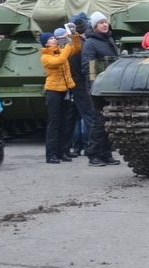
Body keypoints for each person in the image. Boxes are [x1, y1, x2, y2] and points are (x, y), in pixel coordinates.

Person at [81, 12, 121, 167]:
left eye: (106, 22)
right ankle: (94, 154)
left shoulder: (108, 39)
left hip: (110, 85)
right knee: (99, 122)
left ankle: (106, 153)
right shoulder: (90, 43)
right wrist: (96, 83)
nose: (105, 25)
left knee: (108, 122)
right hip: (98, 88)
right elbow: (86, 66)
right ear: (94, 26)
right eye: (100, 23)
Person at [40, 23, 81, 164]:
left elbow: (76, 48)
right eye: (51, 38)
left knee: (64, 122)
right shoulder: (46, 57)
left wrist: (73, 35)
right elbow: (61, 60)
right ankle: (51, 154)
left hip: (65, 90)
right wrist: (68, 45)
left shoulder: (60, 50)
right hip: (53, 91)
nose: (54, 39)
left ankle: (62, 151)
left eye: (53, 37)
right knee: (54, 123)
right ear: (45, 43)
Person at [65, 15, 93, 158]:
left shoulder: (71, 45)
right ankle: (90, 147)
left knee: (72, 118)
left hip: (73, 84)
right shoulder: (83, 46)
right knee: (89, 117)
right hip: (82, 84)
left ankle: (68, 148)